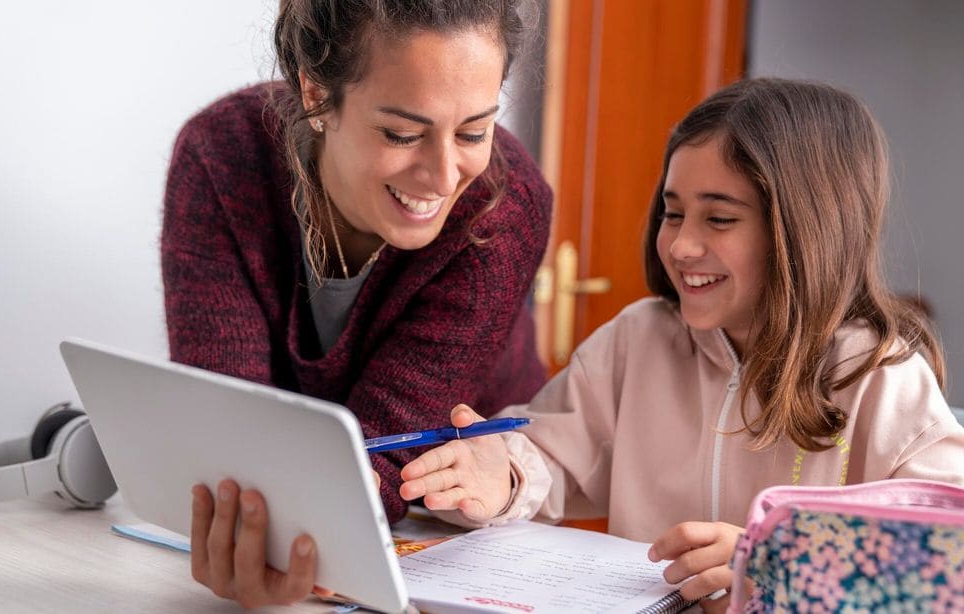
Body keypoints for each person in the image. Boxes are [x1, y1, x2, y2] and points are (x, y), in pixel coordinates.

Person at [399, 78, 964, 613]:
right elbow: (548, 453)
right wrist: (499, 475)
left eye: (719, 218)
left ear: (804, 231)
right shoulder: (639, 338)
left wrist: (781, 564)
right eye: (673, 213)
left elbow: (947, 562)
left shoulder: (879, 376)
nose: (683, 245)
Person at [161, 0, 547, 606]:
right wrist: (263, 508)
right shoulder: (222, 156)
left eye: (474, 131)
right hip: (323, 534)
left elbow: (392, 444)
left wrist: (295, 508)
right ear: (317, 95)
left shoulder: (504, 209)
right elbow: (227, 423)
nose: (445, 176)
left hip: (470, 542)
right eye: (402, 133)